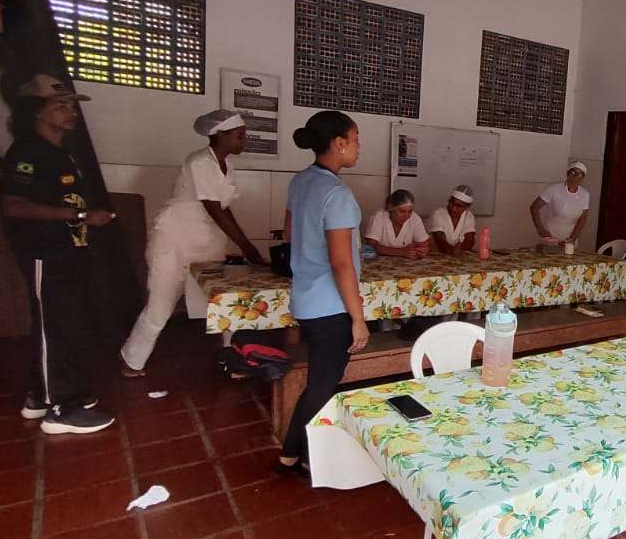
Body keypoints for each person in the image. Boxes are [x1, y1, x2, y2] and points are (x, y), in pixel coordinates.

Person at [1, 74, 115, 434]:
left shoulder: (59, 152)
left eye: (72, 106)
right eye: (61, 106)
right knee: (55, 325)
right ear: (37, 111)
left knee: (65, 323)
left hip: (67, 251)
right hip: (45, 251)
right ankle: (61, 411)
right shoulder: (27, 152)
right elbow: (13, 205)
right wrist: (80, 216)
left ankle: (42, 396)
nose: (71, 113)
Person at [119, 109, 264, 377]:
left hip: (207, 240)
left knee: (224, 299)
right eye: (240, 136)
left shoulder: (227, 166)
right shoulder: (199, 162)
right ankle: (132, 360)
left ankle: (232, 357)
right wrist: (247, 246)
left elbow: (224, 207)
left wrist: (245, 242)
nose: (244, 141)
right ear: (221, 135)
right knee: (161, 305)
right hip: (175, 239)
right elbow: (214, 209)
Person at [278, 110, 369, 475]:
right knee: (323, 384)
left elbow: (289, 234)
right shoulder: (337, 194)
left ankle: (291, 452)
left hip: (306, 298)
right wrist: (358, 318)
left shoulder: (301, 182)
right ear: (339, 143)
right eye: (356, 140)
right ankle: (305, 457)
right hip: (331, 307)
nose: (359, 147)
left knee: (319, 380)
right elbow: (341, 262)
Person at [531, 161, 589, 246]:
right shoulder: (553, 189)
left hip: (570, 238)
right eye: (573, 172)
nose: (575, 177)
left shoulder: (585, 194)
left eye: (579, 174)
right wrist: (540, 229)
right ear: (567, 174)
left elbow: (583, 218)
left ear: (583, 177)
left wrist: (572, 238)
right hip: (550, 236)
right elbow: (534, 207)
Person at [364, 189, 430, 259]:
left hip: (405, 263)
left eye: (410, 211)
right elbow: (371, 245)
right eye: (402, 211)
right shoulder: (379, 217)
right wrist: (401, 252)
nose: (406, 216)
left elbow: (424, 244)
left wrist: (423, 250)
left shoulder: (414, 218)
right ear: (391, 208)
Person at [427, 185, 477, 255]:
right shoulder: (438, 214)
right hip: (435, 255)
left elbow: (470, 240)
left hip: (454, 255)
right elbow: (440, 240)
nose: (453, 208)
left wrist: (461, 247)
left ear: (467, 207)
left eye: (458, 206)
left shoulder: (469, 216)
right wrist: (452, 251)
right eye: (451, 203)